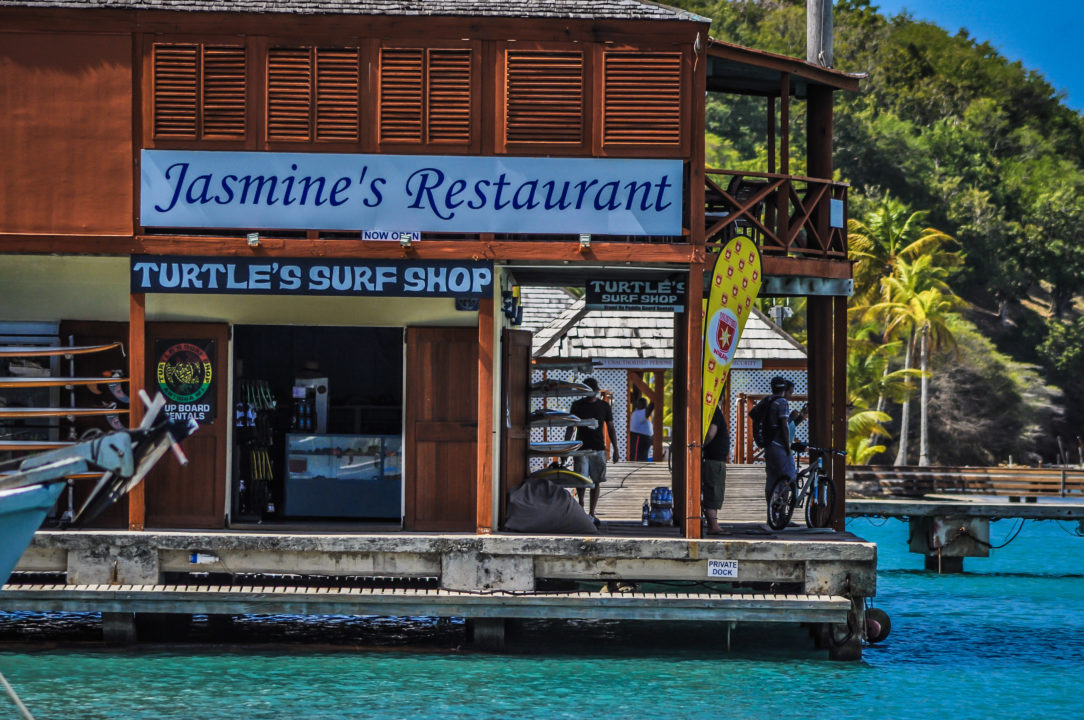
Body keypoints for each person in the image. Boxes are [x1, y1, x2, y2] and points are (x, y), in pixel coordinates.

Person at [566, 377, 618, 521]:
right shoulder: (577, 405)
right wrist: (566, 448)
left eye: (591, 391)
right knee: (580, 480)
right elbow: (570, 427)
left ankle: (592, 512)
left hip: (598, 448)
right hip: (580, 447)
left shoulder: (604, 406)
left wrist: (616, 449)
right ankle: (581, 505)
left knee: (596, 481)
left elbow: (611, 428)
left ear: (596, 391)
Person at [763, 376, 808, 504]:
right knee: (789, 477)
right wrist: (788, 448)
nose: (791, 396)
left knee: (772, 479)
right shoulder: (782, 403)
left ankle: (772, 511)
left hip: (770, 446)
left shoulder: (769, 401)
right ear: (784, 390)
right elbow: (782, 426)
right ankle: (782, 511)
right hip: (780, 447)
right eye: (790, 392)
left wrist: (800, 417)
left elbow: (783, 425)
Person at [702, 403, 729, 535]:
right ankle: (713, 526)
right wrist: (701, 447)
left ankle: (712, 524)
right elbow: (711, 433)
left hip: (713, 458)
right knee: (713, 492)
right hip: (714, 459)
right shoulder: (714, 410)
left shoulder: (709, 409)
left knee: (712, 491)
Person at [628, 393, 655, 462]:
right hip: (638, 437)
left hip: (644, 437)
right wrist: (654, 399)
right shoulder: (639, 413)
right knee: (638, 457)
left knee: (643, 456)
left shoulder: (638, 412)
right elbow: (650, 408)